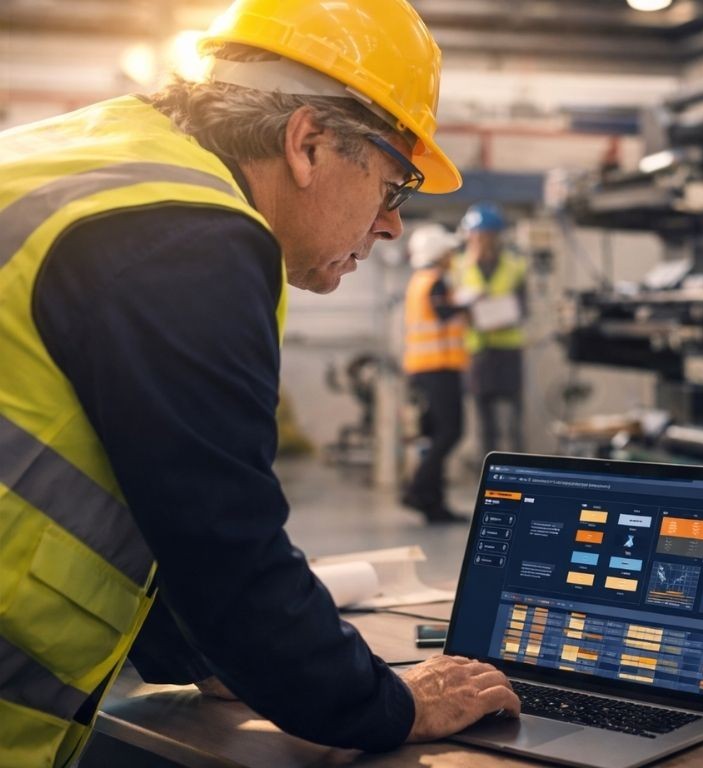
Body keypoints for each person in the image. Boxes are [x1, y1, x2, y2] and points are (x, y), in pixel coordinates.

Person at [0, 1, 519, 765]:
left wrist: (208, 655)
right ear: (307, 142)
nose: (392, 226)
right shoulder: (185, 233)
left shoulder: (84, 162)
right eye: (394, 184)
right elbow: (222, 540)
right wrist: (389, 704)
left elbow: (156, 493)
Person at [401, 224, 469, 524]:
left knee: (434, 435)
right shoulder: (436, 282)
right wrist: (468, 302)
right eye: (447, 252)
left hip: (422, 368)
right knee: (450, 432)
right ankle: (417, 491)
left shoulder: (418, 281)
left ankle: (433, 504)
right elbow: (443, 315)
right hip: (439, 367)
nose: (451, 257)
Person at [457, 202, 529, 456]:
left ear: (496, 236)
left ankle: (519, 473)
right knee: (485, 424)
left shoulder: (515, 265)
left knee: (513, 422)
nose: (478, 241)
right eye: (474, 235)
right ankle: (486, 475)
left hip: (508, 350)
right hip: (479, 352)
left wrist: (497, 314)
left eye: (484, 235)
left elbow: (523, 307)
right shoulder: (460, 266)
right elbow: (456, 306)